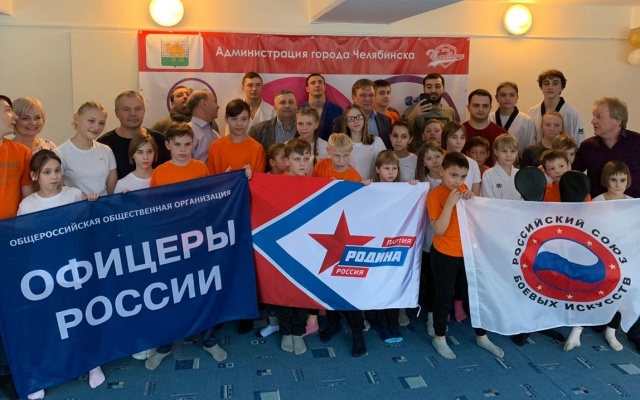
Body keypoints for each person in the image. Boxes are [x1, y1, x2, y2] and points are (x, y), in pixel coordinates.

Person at [18, 150, 103, 399]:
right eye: (47, 172)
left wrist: (93, 203)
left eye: (57, 170)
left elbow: (89, 226)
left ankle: (92, 363)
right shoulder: (28, 205)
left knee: (81, 316)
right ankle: (41, 375)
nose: (54, 176)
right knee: (47, 323)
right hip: (45, 273)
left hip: (74, 269)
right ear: (35, 175)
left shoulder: (73, 195)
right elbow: (22, 242)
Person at [146, 122, 228, 370]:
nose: (183, 149)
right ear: (168, 145)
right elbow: (152, 209)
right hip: (170, 242)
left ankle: (209, 340)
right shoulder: (160, 172)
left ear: (194, 145)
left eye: (187, 144)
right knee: (170, 294)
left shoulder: (200, 168)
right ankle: (164, 345)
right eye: (178, 144)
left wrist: (233, 179)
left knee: (202, 290)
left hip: (197, 240)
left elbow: (210, 200)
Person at [427, 151, 504, 360]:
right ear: (442, 171)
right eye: (453, 175)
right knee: (444, 297)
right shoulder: (435, 195)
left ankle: (482, 336)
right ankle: (439, 338)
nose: (458, 181)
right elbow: (439, 229)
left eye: (462, 177)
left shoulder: (462, 190)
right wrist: (450, 204)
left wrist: (471, 200)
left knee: (473, 296)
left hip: (467, 253)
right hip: (444, 254)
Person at [314, 133, 367, 357]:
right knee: (328, 280)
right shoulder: (320, 167)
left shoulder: (354, 175)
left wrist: (364, 189)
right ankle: (333, 322)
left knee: (348, 284)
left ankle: (357, 331)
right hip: (326, 232)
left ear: (351, 153)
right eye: (337, 155)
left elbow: (359, 208)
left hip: (346, 235)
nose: (341, 160)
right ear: (328, 151)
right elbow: (312, 193)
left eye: (345, 155)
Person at [0, 95, 32, 399]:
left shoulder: (21, 152)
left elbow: (28, 198)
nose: (14, 116)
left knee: (12, 306)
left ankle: (10, 370)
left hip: (11, 242)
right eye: (8, 111)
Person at [370, 150, 416, 343]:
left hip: (396, 245)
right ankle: (382, 325)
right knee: (380, 285)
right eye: (386, 168)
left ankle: (393, 323)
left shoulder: (403, 189)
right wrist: (364, 187)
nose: (391, 172)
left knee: (394, 284)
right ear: (377, 170)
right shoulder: (371, 188)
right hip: (377, 245)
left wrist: (414, 187)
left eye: (394, 168)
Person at [276, 139, 314, 354]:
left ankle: (298, 332)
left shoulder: (315, 184)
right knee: (282, 290)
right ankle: (285, 331)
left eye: (305, 159)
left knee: (301, 290)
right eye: (297, 159)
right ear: (286, 161)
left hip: (305, 248)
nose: (302, 163)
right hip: (280, 247)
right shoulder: (274, 183)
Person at [572, 97, 640, 198]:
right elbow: (571, 175)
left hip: (634, 206)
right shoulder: (587, 146)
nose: (593, 121)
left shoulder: (637, 143)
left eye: (599, 116)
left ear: (618, 120)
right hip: (597, 206)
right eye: (594, 116)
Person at [97, 91, 170, 179]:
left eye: (138, 109)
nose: (133, 114)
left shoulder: (160, 140)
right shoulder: (103, 144)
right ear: (116, 113)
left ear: (144, 111)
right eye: (126, 109)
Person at [54, 101, 117, 198]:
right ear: (77, 118)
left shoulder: (106, 151)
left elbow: (113, 191)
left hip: (104, 206)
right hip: (77, 206)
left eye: (101, 123)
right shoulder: (59, 153)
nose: (96, 127)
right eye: (91, 121)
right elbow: (58, 191)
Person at [415, 141, 444, 336]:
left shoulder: (450, 180)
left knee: (437, 280)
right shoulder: (420, 183)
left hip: (444, 239)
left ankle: (434, 317)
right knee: (423, 277)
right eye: (429, 158)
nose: (434, 161)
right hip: (424, 237)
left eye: (437, 156)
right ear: (423, 162)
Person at [207, 99, 264, 176]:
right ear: (226, 119)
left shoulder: (257, 149)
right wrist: (225, 178)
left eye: (244, 119)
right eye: (234, 119)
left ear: (249, 120)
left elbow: (259, 180)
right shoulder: (215, 147)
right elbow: (211, 179)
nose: (239, 124)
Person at [527, 69, 585, 144]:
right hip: (538, 151)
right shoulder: (532, 112)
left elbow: (580, 139)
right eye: (546, 83)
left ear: (562, 87)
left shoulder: (572, 112)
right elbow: (530, 140)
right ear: (541, 87)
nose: (550, 87)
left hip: (565, 151)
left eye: (555, 83)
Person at [332, 79, 392, 149]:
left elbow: (388, 150)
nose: (367, 99)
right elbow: (334, 149)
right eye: (363, 95)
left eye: (371, 95)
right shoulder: (340, 122)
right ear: (353, 98)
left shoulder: (386, 121)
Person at [403, 73, 456, 151]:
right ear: (424, 89)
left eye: (437, 86)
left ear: (444, 89)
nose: (433, 90)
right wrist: (413, 116)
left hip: (444, 155)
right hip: (419, 156)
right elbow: (400, 132)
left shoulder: (450, 111)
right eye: (429, 87)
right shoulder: (413, 110)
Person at [340, 104, 386, 180]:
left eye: (359, 117)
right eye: (351, 118)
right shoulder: (340, 144)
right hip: (350, 185)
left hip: (372, 185)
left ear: (364, 119)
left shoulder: (377, 142)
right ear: (346, 123)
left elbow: (385, 165)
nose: (356, 121)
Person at [489, 82, 536, 157]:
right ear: (496, 97)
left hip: (517, 162)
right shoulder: (489, 118)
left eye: (511, 95)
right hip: (492, 161)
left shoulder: (526, 120)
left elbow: (530, 147)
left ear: (517, 98)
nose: (507, 98)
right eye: (503, 95)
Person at [249, 90, 297, 155]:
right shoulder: (258, 130)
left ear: (296, 106)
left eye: (291, 102)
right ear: (275, 108)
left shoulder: (307, 128)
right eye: (282, 102)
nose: (287, 106)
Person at [463, 89, 507, 159]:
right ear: (468, 108)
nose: (481, 109)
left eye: (485, 106)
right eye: (476, 106)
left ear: (490, 108)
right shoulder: (458, 132)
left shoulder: (501, 134)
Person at [441, 121, 481, 195]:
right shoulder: (438, 162)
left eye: (462, 137)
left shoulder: (473, 164)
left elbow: (476, 195)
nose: (459, 142)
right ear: (445, 139)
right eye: (454, 137)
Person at [300, 73, 343, 141]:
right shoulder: (299, 111)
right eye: (313, 83)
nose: (317, 85)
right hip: (305, 146)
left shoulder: (338, 111)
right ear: (307, 89)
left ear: (324, 87)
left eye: (320, 82)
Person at [480, 134, 521, 200]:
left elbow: (525, 199)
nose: (509, 155)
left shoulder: (520, 174)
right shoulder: (488, 174)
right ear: (496, 151)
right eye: (504, 151)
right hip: (494, 207)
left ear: (517, 152)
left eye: (513, 151)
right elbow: (487, 200)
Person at [187, 90, 220, 163]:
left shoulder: (215, 134)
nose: (218, 106)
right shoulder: (187, 132)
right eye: (214, 102)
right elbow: (183, 165)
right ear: (203, 104)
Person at [294, 107, 328, 175]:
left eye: (309, 124)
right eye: (300, 123)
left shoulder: (326, 147)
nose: (304, 128)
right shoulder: (288, 145)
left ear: (316, 125)